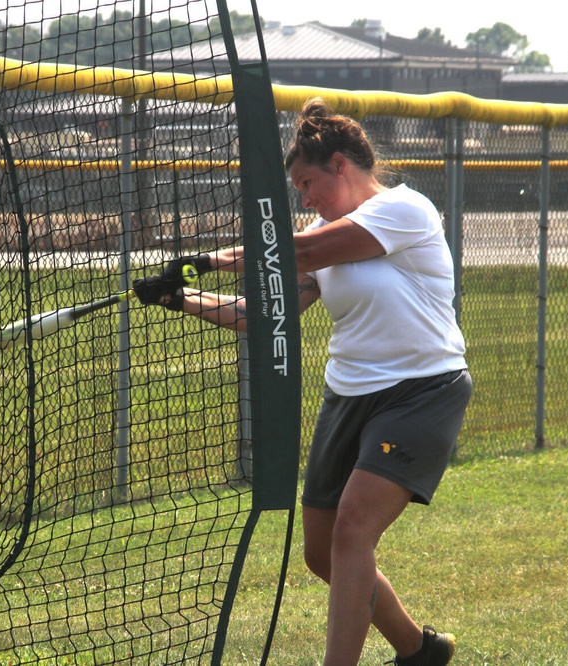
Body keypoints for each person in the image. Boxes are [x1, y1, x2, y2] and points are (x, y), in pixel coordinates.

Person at [132, 97, 471, 666]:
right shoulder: (318, 232)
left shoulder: (406, 210)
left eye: (308, 183)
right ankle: (419, 650)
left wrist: (205, 260)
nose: (306, 199)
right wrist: (180, 297)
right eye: (299, 189)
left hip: (422, 392)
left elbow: (304, 250)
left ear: (341, 164)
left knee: (352, 528)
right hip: (347, 396)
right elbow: (263, 315)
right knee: (323, 554)